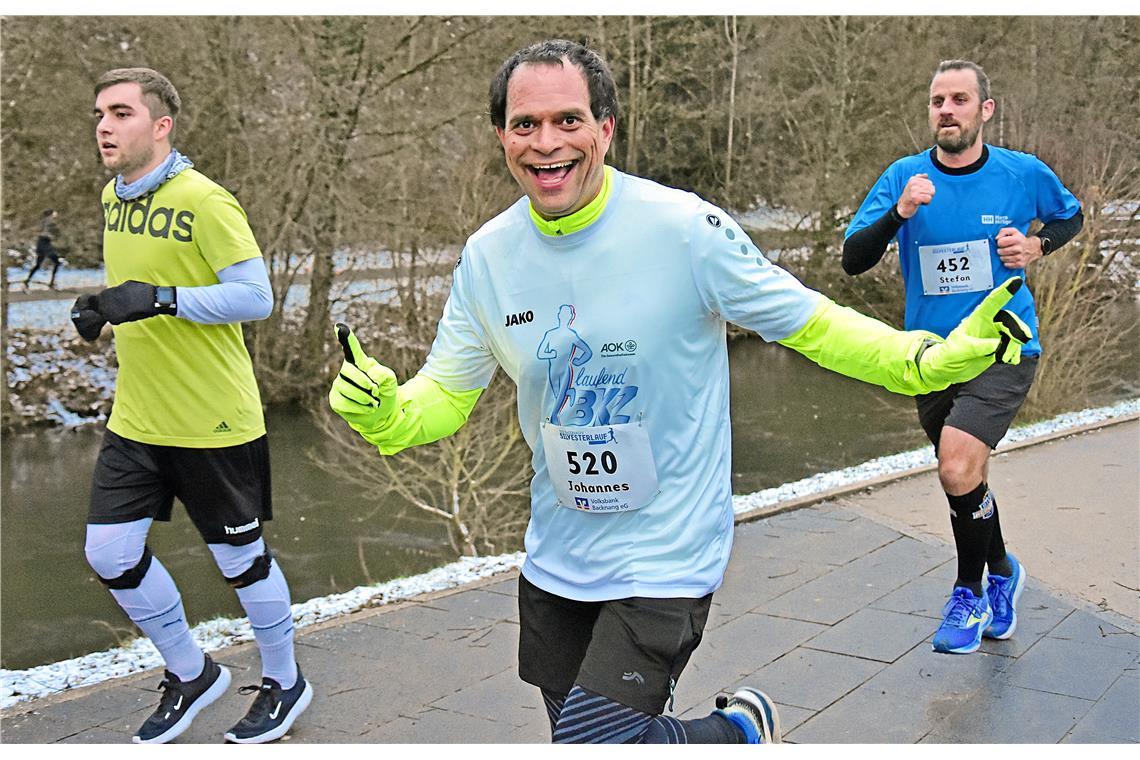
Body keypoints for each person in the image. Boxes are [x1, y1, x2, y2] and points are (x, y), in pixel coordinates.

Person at [329, 40, 1030, 744]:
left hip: (666, 552)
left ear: (606, 128)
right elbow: (444, 394)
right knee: (587, 743)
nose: (546, 143)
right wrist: (388, 412)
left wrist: (926, 360)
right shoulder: (488, 257)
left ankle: (740, 731)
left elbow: (814, 324)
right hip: (559, 555)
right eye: (525, 124)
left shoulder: (685, 230)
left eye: (568, 120)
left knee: (593, 744)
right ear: (502, 138)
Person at [70, 67, 312, 744]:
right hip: (137, 417)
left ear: (161, 126)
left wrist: (162, 299)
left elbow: (256, 297)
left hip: (213, 420)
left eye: (121, 113)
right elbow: (141, 283)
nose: (105, 127)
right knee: (109, 553)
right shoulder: (114, 197)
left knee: (241, 562)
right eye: (99, 114)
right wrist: (103, 307)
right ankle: (191, 672)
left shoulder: (206, 200)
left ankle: (285, 680)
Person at [842, 59, 1083, 655]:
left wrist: (1036, 245)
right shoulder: (905, 177)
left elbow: (1071, 215)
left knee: (954, 466)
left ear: (985, 110)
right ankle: (1003, 571)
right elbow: (853, 259)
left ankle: (968, 594)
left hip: (1005, 344)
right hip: (932, 356)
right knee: (966, 478)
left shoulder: (1020, 173)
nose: (946, 111)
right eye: (937, 101)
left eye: (958, 100)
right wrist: (899, 214)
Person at [24, 208, 64, 289]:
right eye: (54, 213)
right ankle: (52, 283)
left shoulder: (44, 221)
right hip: (45, 245)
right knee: (56, 262)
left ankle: (27, 280)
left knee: (38, 265)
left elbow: (41, 231)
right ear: (51, 214)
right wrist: (54, 234)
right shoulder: (50, 221)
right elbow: (49, 232)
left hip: (41, 244)